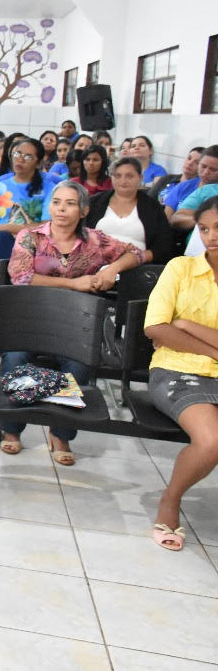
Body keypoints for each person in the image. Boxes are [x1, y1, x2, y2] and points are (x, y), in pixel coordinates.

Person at [1, 180, 143, 464]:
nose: (61, 209)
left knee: (79, 365)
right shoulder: (31, 237)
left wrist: (112, 268)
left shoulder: (96, 241)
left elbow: (136, 253)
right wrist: (74, 284)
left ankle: (61, 432)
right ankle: (12, 428)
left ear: (83, 210)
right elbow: (22, 277)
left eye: (69, 204)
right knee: (16, 358)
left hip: (74, 324)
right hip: (31, 317)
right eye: (56, 203)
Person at [142, 195, 218, 551]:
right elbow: (156, 328)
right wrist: (212, 350)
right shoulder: (181, 269)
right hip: (178, 369)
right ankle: (170, 499)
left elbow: (172, 327)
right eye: (204, 229)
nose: (211, 236)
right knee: (212, 441)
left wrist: (186, 325)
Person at [0, 137, 55, 286]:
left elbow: (47, 226)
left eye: (28, 156)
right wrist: (6, 232)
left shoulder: (49, 188)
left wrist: (9, 228)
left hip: (34, 245)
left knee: (4, 241)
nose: (20, 159)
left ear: (38, 163)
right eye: (17, 154)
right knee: (2, 240)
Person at [86, 158, 174, 264]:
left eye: (129, 176)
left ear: (140, 178)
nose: (123, 181)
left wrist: (139, 257)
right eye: (118, 176)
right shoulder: (95, 202)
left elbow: (164, 246)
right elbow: (81, 234)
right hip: (95, 263)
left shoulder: (152, 207)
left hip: (138, 266)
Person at [171, 146, 218, 231]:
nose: (206, 172)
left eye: (213, 169)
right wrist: (204, 220)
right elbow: (175, 218)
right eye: (203, 166)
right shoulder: (205, 191)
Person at [160, 146, 206, 219]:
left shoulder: (199, 189)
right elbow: (150, 198)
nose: (190, 163)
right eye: (189, 158)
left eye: (197, 162)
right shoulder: (167, 179)